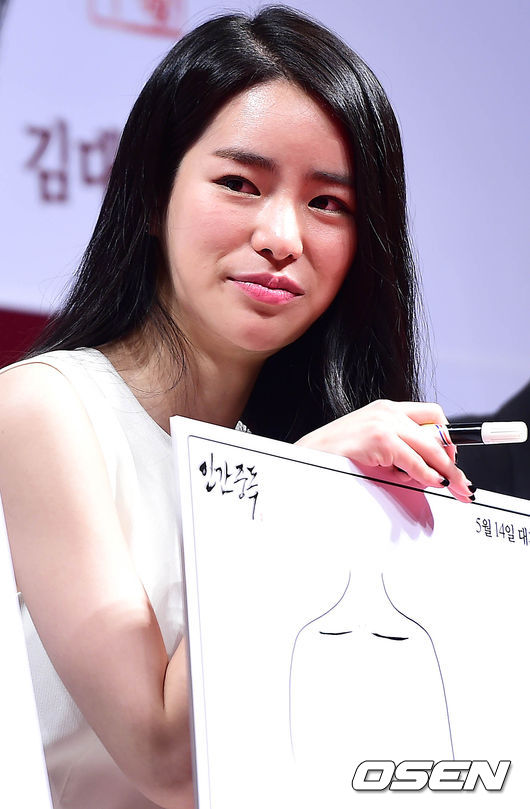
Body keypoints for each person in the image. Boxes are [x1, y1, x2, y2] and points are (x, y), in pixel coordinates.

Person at [0, 6, 474, 809]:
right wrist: (297, 485)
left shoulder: (314, 456)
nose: (283, 235)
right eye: (239, 184)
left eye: (329, 203)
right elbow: (168, 759)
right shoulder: (44, 408)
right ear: (153, 192)